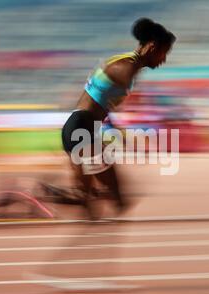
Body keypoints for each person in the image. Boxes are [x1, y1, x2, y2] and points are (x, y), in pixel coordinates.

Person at [61, 17, 176, 220]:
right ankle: (60, 195)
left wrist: (113, 131)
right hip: (82, 130)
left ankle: (74, 196)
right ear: (151, 47)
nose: (163, 60)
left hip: (82, 129)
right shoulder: (126, 68)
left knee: (96, 203)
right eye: (163, 53)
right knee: (113, 200)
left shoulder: (125, 62)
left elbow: (103, 103)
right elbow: (125, 104)